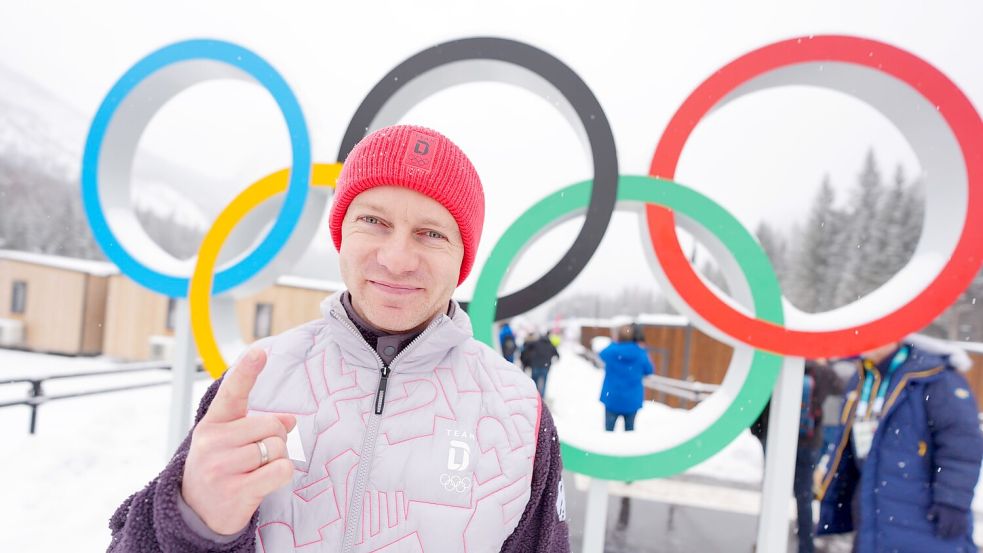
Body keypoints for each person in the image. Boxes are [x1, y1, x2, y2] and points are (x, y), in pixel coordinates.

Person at [107, 125, 570, 552]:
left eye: (430, 234)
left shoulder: (519, 414)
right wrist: (193, 524)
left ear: (462, 257)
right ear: (341, 233)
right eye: (374, 222)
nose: (396, 258)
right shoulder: (256, 382)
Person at [816, 340, 983, 553]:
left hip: (923, 514)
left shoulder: (935, 377)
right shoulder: (863, 377)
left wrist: (953, 501)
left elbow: (962, 442)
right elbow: (847, 444)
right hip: (876, 511)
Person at [598, 324, 653, 432]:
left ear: (618, 337)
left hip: (612, 398)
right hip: (632, 400)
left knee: (608, 433)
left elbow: (601, 354)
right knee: (629, 433)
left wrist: (614, 342)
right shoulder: (640, 353)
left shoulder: (612, 351)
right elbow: (649, 370)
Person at [520, 331, 559, 398]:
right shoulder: (550, 345)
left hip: (535, 366)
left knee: (534, 383)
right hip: (545, 367)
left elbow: (526, 347)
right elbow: (557, 356)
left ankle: (534, 396)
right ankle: (542, 399)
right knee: (544, 383)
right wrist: (551, 361)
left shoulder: (536, 343)